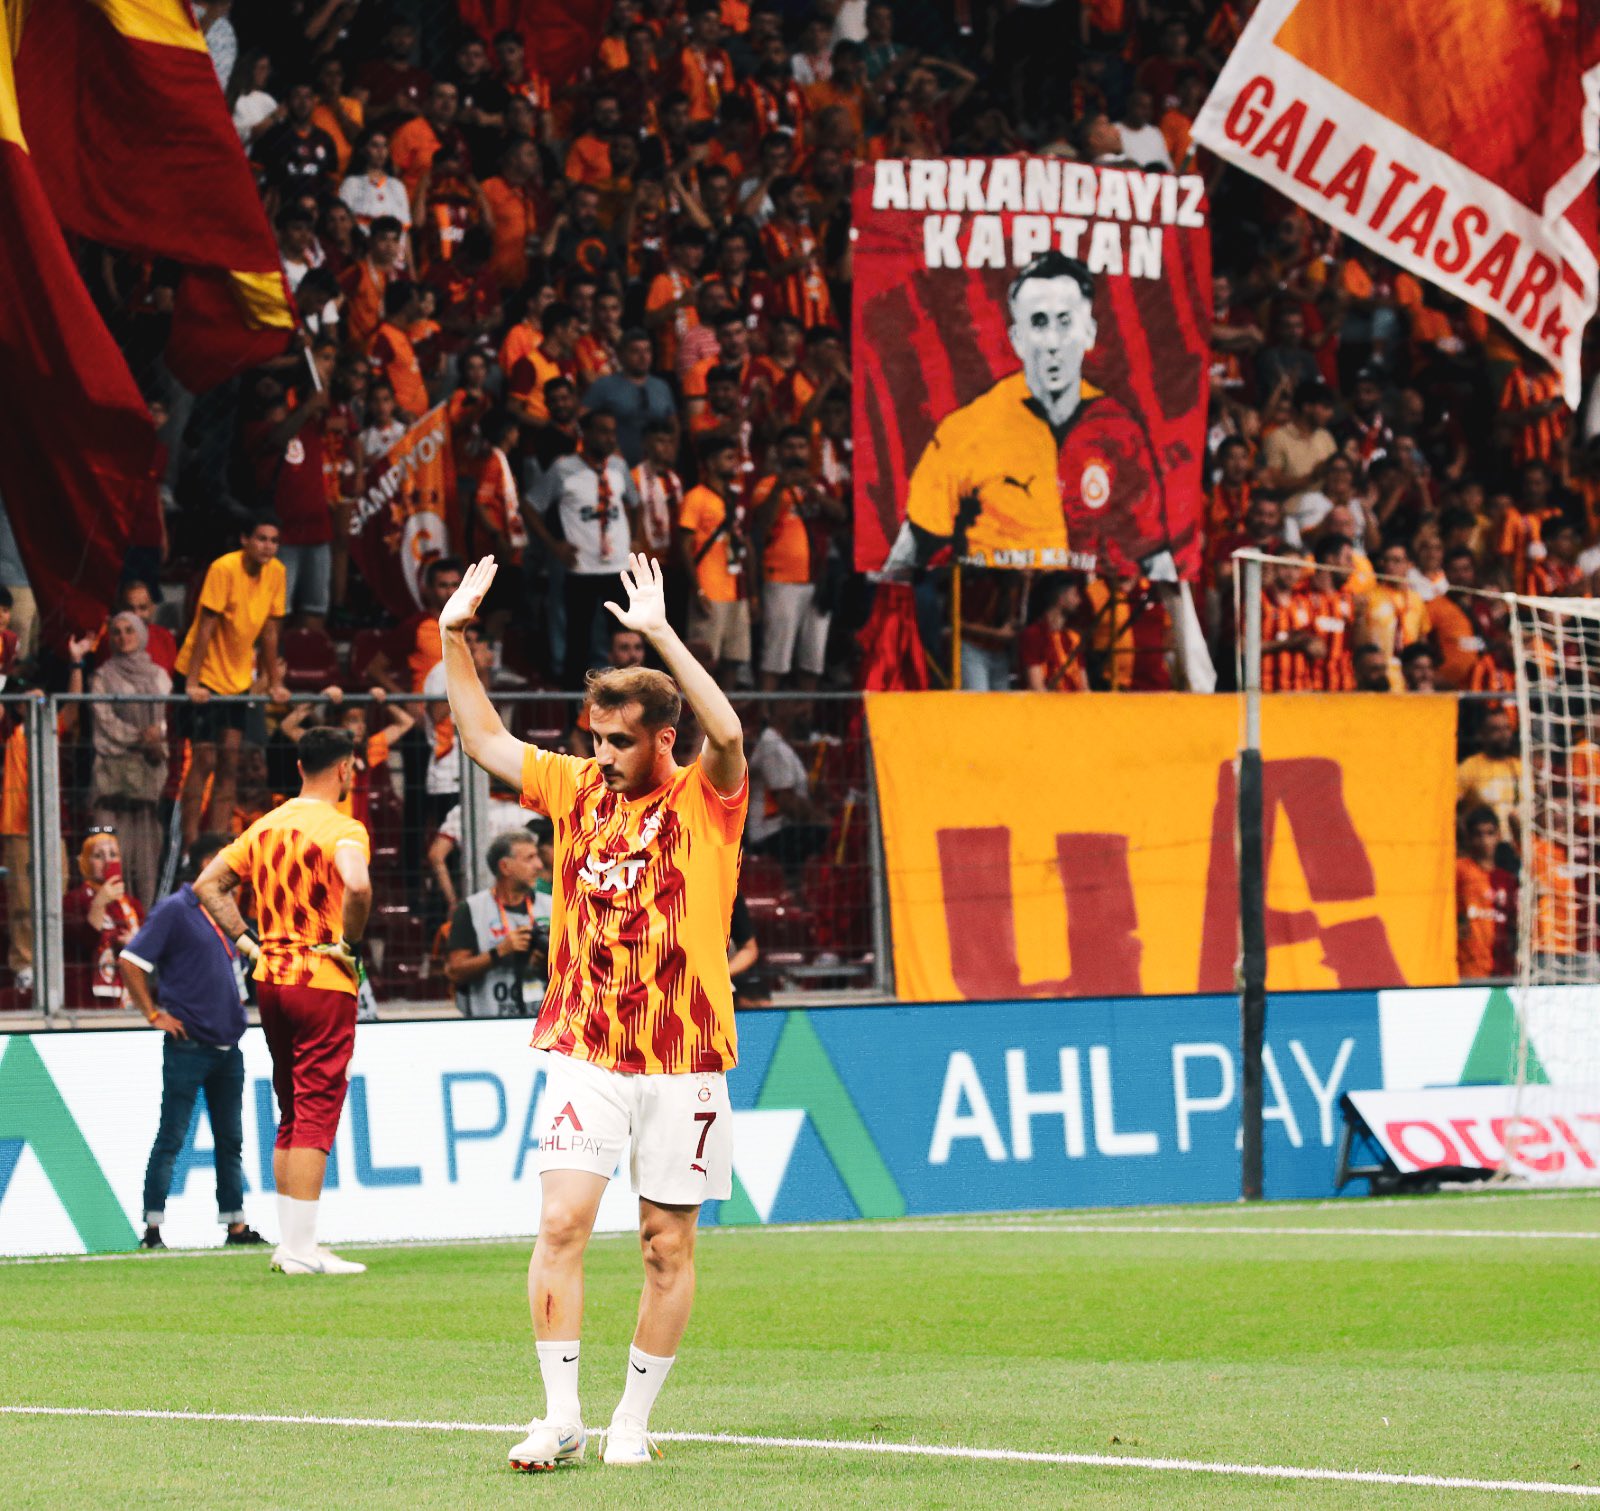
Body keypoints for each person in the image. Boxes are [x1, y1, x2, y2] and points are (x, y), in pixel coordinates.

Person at [439, 552, 747, 1471]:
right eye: (595, 738)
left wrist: (660, 634)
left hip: (685, 1056)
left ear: (662, 739)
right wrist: (452, 636)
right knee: (562, 1223)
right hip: (588, 1046)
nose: (601, 754)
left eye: (618, 741)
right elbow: (483, 738)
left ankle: (632, 1420)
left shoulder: (704, 798)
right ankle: (561, 1416)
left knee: (664, 1244)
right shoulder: (574, 787)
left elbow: (728, 728)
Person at [195, 727, 373, 1277]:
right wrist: (349, 944)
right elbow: (358, 886)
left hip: (270, 978)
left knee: (293, 1107)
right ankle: (300, 1248)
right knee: (317, 1106)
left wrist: (246, 940)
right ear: (344, 769)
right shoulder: (343, 829)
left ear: (300, 767)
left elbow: (208, 885)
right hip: (321, 976)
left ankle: (292, 1243)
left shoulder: (264, 826)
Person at [890, 251, 1169, 579]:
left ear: (1089, 333)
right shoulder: (967, 430)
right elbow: (904, 557)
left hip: (1089, 604)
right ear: (1017, 339)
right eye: (1038, 323)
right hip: (994, 602)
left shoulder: (1118, 430)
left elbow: (1154, 555)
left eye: (1065, 322)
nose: (1052, 342)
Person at [121, 834, 265, 1251]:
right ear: (208, 864)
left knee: (230, 1138)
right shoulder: (176, 910)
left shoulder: (226, 913)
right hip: (189, 1044)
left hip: (227, 1043)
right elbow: (131, 960)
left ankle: (235, 1223)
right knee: (173, 1134)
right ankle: (152, 1229)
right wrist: (153, 1014)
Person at [172, 516, 290, 851]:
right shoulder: (223, 568)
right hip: (204, 674)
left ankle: (216, 846)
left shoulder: (277, 572)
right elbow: (205, 626)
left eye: (274, 540)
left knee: (230, 760)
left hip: (237, 680)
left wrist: (274, 682)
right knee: (204, 759)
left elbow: (270, 632)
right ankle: (191, 847)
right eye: (261, 538)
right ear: (244, 539)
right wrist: (192, 683)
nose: (268, 546)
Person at [527, 410, 640, 688]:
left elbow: (635, 503)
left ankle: (628, 696)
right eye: (603, 431)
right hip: (581, 568)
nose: (610, 438)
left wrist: (636, 538)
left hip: (618, 567)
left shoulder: (619, 466)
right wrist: (554, 545)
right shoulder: (563, 468)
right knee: (578, 639)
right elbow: (530, 505)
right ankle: (575, 703)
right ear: (585, 434)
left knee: (625, 638)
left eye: (613, 432)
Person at [88, 612, 171, 910]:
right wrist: (140, 736)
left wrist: (158, 734)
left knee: (147, 858)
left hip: (149, 775)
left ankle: (147, 921)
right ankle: (114, 921)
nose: (123, 637)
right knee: (110, 855)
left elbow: (169, 716)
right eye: (117, 632)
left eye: (129, 631)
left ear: (141, 633)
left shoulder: (159, 676)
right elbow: (104, 721)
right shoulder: (102, 676)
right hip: (111, 778)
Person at [445, 829, 548, 1018]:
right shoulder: (471, 909)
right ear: (505, 867)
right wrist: (499, 952)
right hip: (489, 1024)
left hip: (544, 1023)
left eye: (537, 857)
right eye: (529, 858)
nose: (539, 865)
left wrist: (544, 961)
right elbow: (455, 972)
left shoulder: (552, 906)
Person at [63, 827, 147, 1009]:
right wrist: (99, 903)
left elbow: (150, 950)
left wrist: (135, 944)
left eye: (113, 855)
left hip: (129, 995)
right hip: (86, 998)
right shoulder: (73, 900)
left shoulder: (132, 904)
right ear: (85, 861)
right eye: (98, 856)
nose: (107, 861)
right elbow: (86, 941)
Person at [1457, 806, 1516, 981]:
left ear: (1498, 835)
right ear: (1469, 838)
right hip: (1469, 966)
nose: (1484, 841)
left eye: (1490, 833)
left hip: (1501, 966)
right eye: (1478, 834)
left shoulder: (1506, 878)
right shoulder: (1461, 870)